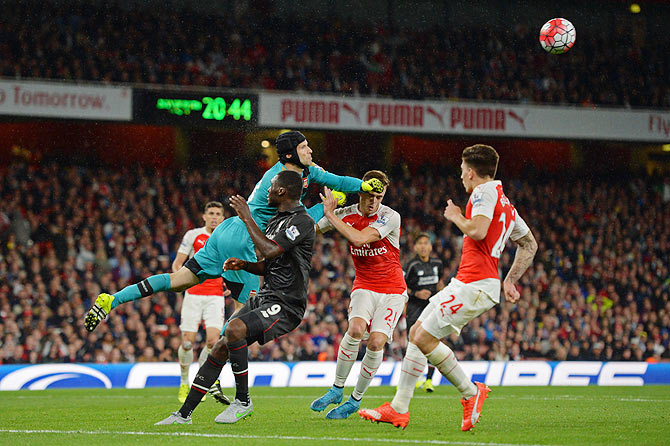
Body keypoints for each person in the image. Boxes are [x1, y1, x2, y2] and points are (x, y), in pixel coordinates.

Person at [84, 131, 378, 334]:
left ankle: (113, 299)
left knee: (177, 282)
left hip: (226, 231)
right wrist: (329, 205)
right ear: (290, 155)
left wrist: (363, 187)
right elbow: (300, 223)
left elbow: (337, 179)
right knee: (246, 310)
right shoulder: (277, 182)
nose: (310, 151)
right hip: (244, 240)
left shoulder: (304, 171)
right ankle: (215, 365)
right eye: (304, 148)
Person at [359, 144, 537, 431]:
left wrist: (455, 215)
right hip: (473, 282)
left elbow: (477, 230)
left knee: (423, 338)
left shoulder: (484, 191)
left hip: (474, 283)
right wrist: (511, 279)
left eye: (462, 170)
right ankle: (399, 408)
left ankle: (469, 392)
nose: (461, 175)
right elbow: (530, 244)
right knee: (417, 334)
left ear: (470, 171)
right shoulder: (506, 204)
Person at [155, 169, 315, 425]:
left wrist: (247, 217)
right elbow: (269, 264)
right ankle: (183, 415)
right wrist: (245, 265)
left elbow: (271, 250)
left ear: (282, 191)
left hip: (287, 303)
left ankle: (243, 401)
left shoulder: (302, 221)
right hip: (267, 295)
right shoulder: (276, 220)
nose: (267, 190)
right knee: (220, 346)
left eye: (271, 186)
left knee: (235, 329)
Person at [310, 170, 408, 420]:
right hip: (364, 284)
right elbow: (311, 230)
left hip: (392, 290)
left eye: (379, 195)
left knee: (376, 342)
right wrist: (315, 210)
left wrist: (330, 213)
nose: (374, 200)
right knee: (354, 330)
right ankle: (336, 389)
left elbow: (361, 238)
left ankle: (355, 400)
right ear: (360, 191)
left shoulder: (390, 216)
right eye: (369, 194)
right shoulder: (346, 213)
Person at [172, 201, 231, 403]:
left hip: (215, 295)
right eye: (211, 213)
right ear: (204, 216)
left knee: (213, 341)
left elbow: (232, 264)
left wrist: (232, 282)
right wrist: (180, 279)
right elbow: (178, 262)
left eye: (218, 214)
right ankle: (183, 381)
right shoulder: (193, 235)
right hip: (194, 293)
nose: (214, 217)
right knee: (187, 342)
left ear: (223, 218)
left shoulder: (226, 237)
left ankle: (201, 381)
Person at [403, 232, 444, 393]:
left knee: (433, 340)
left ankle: (428, 380)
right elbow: (401, 285)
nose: (423, 246)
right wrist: (415, 293)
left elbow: (439, 282)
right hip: (415, 307)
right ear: (415, 247)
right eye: (420, 243)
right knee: (413, 341)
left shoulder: (437, 263)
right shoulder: (411, 265)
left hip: (432, 306)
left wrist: (443, 294)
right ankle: (413, 378)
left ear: (430, 246)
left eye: (426, 243)